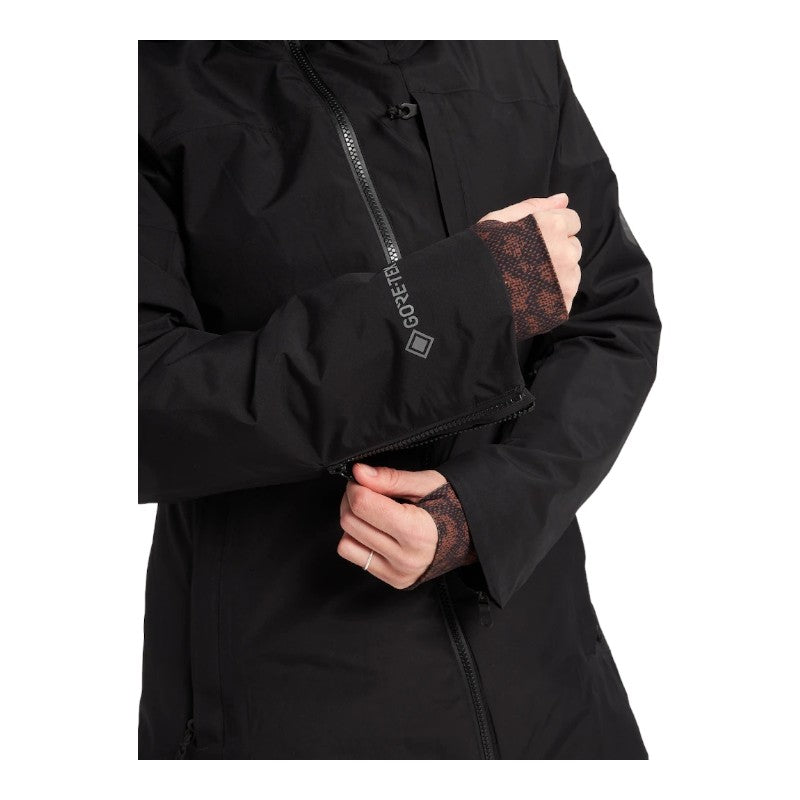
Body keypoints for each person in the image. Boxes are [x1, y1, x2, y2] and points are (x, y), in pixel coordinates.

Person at [138, 40, 660, 760]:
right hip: (292, 707)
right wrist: (457, 302)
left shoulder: (513, 48)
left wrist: (482, 513)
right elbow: (142, 403)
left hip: (556, 685)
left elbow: (611, 318)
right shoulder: (149, 78)